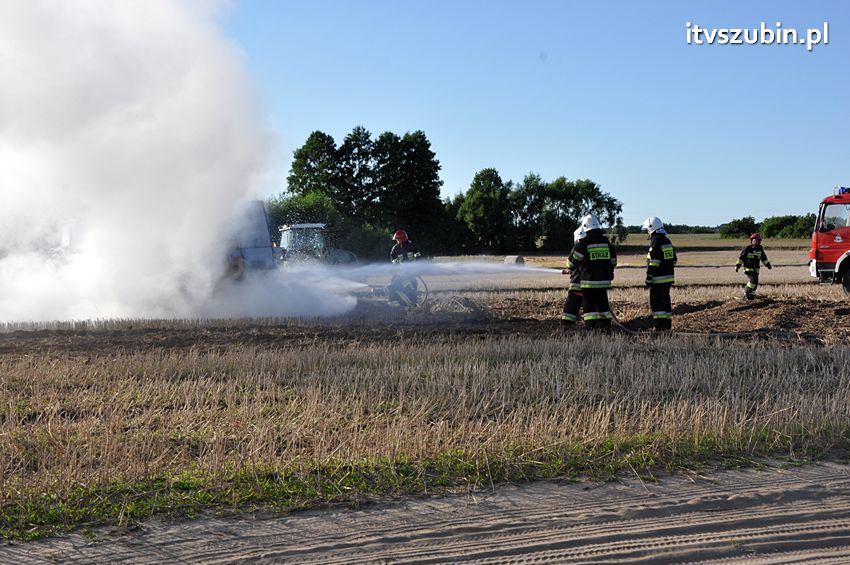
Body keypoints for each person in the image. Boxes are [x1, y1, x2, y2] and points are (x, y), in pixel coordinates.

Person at [567, 214, 617, 331]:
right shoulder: (606, 242)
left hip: (589, 283)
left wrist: (572, 267)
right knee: (603, 305)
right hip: (604, 282)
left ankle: (591, 328)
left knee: (589, 306)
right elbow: (613, 260)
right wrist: (610, 271)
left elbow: (572, 262)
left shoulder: (584, 243)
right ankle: (605, 327)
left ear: (586, 228)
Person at [642, 216, 677, 331]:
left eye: (647, 229)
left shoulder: (655, 241)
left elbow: (654, 261)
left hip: (657, 280)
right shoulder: (667, 241)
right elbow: (674, 260)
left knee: (657, 305)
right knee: (666, 303)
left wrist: (649, 277)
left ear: (652, 228)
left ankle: (660, 327)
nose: (647, 231)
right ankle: (667, 326)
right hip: (667, 279)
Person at [386, 229, 421, 307]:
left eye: (398, 239)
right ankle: (393, 301)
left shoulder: (412, 246)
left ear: (402, 238)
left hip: (411, 272)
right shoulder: (395, 249)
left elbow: (418, 257)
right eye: (396, 239)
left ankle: (412, 303)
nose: (397, 241)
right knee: (394, 284)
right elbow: (394, 262)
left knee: (412, 285)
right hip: (400, 273)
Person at [560, 227, 587, 327]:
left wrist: (571, 269)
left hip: (577, 283)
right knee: (590, 307)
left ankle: (567, 325)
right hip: (590, 285)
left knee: (571, 307)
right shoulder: (591, 247)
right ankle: (593, 325)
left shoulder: (579, 247)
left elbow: (570, 263)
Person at [736, 233, 771, 300]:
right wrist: (737, 266)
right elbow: (741, 258)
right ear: (751, 240)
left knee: (755, 282)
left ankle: (751, 295)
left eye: (757, 240)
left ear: (759, 241)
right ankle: (746, 291)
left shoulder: (760, 249)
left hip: (756, 269)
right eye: (754, 240)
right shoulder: (747, 248)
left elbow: (764, 258)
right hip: (748, 268)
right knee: (753, 280)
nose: (755, 241)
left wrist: (768, 265)